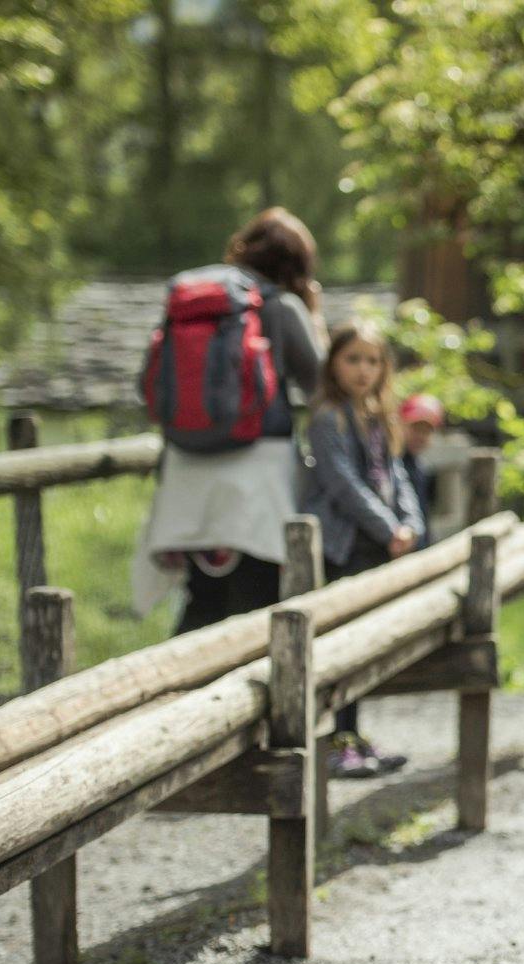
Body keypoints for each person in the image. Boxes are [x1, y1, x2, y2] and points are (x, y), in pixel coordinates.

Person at [132, 208, 328, 630]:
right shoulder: (283, 307)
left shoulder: (191, 301)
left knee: (201, 598)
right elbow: (323, 386)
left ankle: (184, 672)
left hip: (186, 472)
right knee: (255, 603)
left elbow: (146, 382)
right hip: (257, 478)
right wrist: (315, 318)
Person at [303, 321, 427, 778]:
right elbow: (343, 484)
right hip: (346, 546)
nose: (362, 370)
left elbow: (397, 476)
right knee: (342, 642)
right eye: (352, 359)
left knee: (366, 643)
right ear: (334, 364)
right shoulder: (327, 418)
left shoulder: (378, 415)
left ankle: (354, 734)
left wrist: (411, 523)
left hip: (376, 543)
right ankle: (336, 740)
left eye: (372, 361)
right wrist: (388, 527)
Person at [397, 392, 445, 542]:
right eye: (416, 428)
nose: (421, 436)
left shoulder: (419, 467)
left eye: (427, 431)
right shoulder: (393, 463)